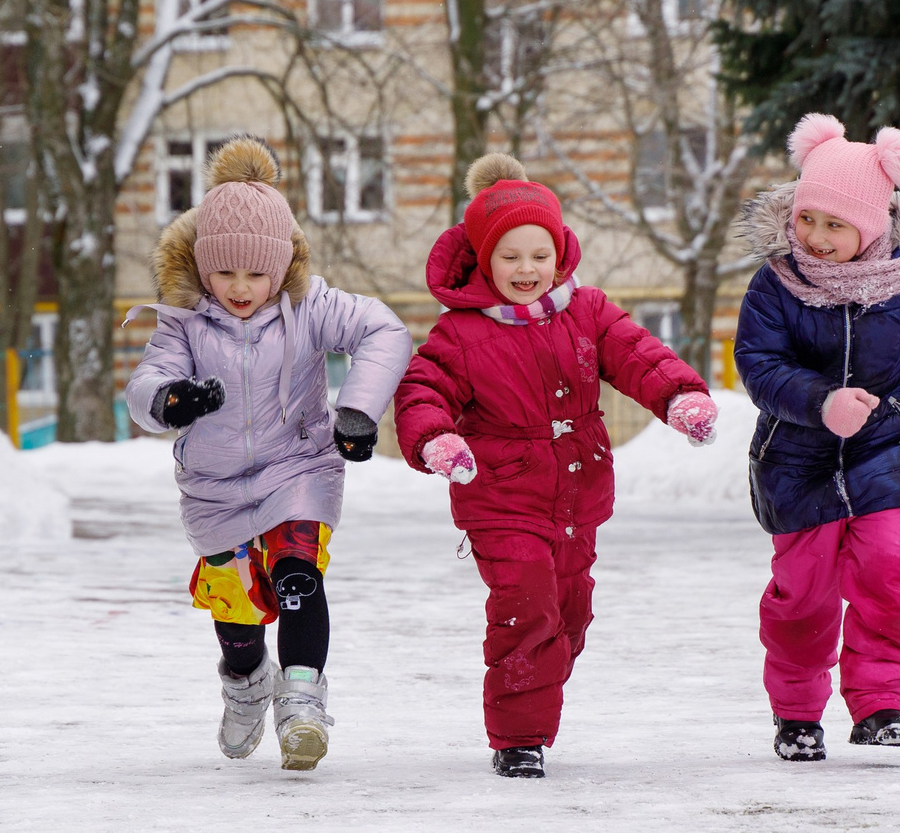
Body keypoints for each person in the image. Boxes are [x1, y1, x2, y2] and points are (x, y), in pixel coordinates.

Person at [393, 153, 719, 779]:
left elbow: (638, 355)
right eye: (510, 256)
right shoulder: (461, 334)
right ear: (484, 259)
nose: (527, 270)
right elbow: (422, 391)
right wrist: (436, 440)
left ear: (559, 252)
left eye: (539, 255)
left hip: (577, 491)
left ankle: (536, 682)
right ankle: (519, 740)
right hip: (501, 496)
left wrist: (679, 397)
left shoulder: (588, 311)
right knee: (527, 606)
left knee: (569, 614)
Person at [124, 138, 412, 771]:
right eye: (224, 273)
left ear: (282, 267)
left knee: (298, 575)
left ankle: (302, 702)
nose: (240, 288)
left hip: (296, 469)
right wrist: (171, 400)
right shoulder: (184, 321)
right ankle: (247, 683)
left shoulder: (311, 308)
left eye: (257, 274)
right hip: (215, 486)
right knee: (238, 617)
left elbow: (385, 330)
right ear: (203, 266)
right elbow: (145, 387)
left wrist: (357, 411)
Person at [734, 114, 900, 763]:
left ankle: (882, 704)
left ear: (870, 226)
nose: (816, 236)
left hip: (885, 451)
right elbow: (759, 363)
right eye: (807, 219)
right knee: (803, 595)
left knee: (892, 572)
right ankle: (797, 712)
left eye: (835, 225)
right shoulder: (777, 283)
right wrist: (820, 402)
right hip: (796, 460)